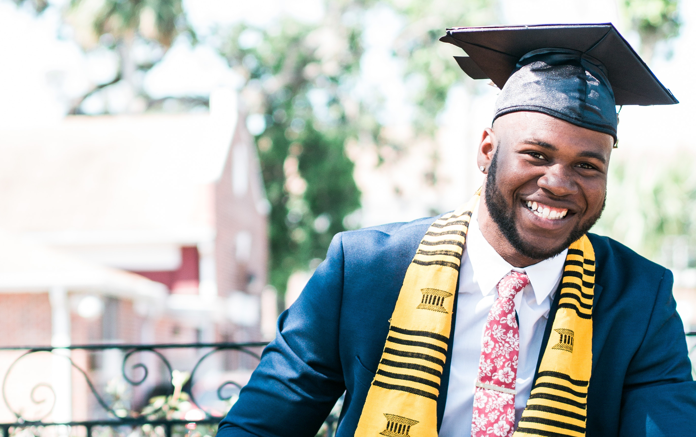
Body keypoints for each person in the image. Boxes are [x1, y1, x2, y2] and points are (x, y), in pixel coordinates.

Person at [217, 24, 696, 437]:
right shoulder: (364, 270)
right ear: (488, 151)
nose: (558, 183)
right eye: (536, 155)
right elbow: (258, 426)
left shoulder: (640, 297)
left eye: (588, 165)